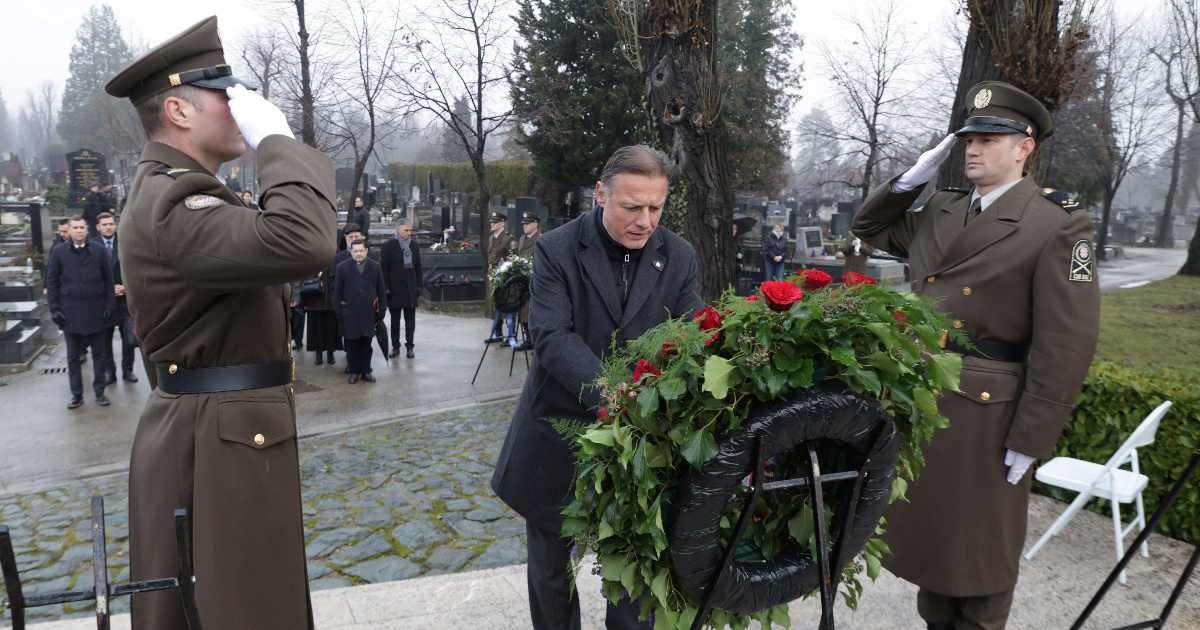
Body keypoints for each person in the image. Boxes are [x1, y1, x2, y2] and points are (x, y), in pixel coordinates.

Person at [104, 15, 336, 630]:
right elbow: (306, 240)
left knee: (247, 600)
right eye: (226, 94)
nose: (242, 107)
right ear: (179, 111)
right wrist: (278, 142)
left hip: (221, 433)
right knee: (245, 609)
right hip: (214, 444)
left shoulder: (183, 192)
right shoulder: (177, 200)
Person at [851, 81, 1100, 630]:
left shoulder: (1055, 223)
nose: (973, 149)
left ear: (1024, 148)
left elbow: (1066, 341)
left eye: (989, 138)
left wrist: (1032, 436)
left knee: (983, 562)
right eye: (968, 138)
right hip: (927, 395)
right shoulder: (941, 207)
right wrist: (911, 179)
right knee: (936, 555)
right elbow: (868, 229)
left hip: (989, 412)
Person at [491, 145, 703, 630]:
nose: (645, 221)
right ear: (601, 195)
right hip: (558, 429)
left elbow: (692, 335)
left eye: (655, 207)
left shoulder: (679, 256)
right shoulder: (556, 248)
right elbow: (551, 335)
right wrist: (615, 395)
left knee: (634, 577)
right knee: (550, 575)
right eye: (632, 206)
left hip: (638, 448)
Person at [46, 215, 116, 408]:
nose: (78, 231)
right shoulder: (59, 252)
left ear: (87, 229)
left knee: (100, 355)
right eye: (75, 228)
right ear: (69, 230)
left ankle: (100, 392)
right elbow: (51, 282)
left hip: (96, 310)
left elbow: (109, 281)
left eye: (81, 227)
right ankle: (77, 394)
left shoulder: (99, 251)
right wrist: (54, 308)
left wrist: (110, 307)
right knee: (73, 357)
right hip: (70, 313)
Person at [93, 212, 138, 383]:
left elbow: (135, 268)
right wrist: (108, 289)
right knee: (105, 341)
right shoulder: (93, 245)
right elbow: (90, 275)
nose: (108, 227)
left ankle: (128, 371)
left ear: (115, 225)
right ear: (98, 227)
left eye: (111, 224)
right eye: (104, 224)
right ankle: (109, 372)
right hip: (104, 303)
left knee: (128, 339)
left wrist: (127, 287)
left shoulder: (126, 243)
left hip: (125, 301)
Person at [334, 239, 386, 383]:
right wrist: (338, 311)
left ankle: (365, 371)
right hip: (349, 312)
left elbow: (381, 289)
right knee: (352, 344)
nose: (358, 254)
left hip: (368, 312)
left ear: (366, 251)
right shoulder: (342, 267)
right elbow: (337, 292)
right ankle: (354, 371)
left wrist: (382, 309)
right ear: (351, 252)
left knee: (366, 343)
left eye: (361, 251)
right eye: (355, 251)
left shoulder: (375, 267)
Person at [380, 219, 422, 358]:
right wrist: (386, 287)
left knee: (410, 320)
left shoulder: (414, 245)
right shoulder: (388, 246)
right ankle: (395, 346)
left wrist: (419, 285)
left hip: (410, 288)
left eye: (410, 230)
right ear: (398, 229)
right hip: (395, 289)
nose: (409, 233)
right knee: (395, 320)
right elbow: (384, 268)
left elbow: (418, 267)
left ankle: (410, 346)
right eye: (406, 230)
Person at [485, 210, 518, 345]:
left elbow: (513, 259)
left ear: (502, 223)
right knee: (494, 305)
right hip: (493, 275)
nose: (492, 224)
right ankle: (497, 334)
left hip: (504, 276)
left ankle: (511, 335)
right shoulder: (491, 237)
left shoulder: (509, 239)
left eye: (496, 222)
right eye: (492, 222)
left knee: (507, 306)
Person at [513, 210, 541, 350]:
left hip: (532, 280)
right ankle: (528, 339)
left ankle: (534, 340)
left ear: (535, 224)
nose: (524, 226)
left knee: (530, 311)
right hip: (521, 280)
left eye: (528, 223)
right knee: (522, 310)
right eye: (523, 224)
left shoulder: (540, 239)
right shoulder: (522, 238)